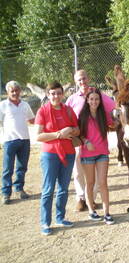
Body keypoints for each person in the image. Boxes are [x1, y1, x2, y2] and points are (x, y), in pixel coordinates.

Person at [66, 70, 115, 212]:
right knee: (78, 171)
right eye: (80, 80)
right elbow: (68, 116)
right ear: (76, 82)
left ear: (89, 78)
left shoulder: (98, 95)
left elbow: (112, 106)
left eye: (85, 78)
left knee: (96, 176)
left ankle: (91, 200)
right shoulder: (72, 99)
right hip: (78, 139)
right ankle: (81, 198)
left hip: (98, 143)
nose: (83, 82)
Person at [35, 81, 80, 235]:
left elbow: (78, 130)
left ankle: (60, 217)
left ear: (63, 94)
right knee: (48, 189)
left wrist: (71, 131)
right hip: (50, 154)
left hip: (68, 153)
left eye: (59, 93)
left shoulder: (68, 110)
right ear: (48, 95)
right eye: (53, 93)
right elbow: (38, 136)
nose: (56, 96)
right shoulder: (42, 111)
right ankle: (45, 223)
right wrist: (58, 134)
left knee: (63, 188)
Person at [79, 89, 115, 224]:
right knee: (90, 183)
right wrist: (86, 141)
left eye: (97, 99)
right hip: (88, 154)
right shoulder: (82, 115)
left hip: (102, 153)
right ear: (87, 100)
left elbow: (114, 124)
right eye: (91, 99)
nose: (94, 101)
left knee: (103, 183)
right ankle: (91, 210)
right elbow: (79, 134)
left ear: (100, 101)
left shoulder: (104, 114)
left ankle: (107, 213)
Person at [0, 81, 35, 205]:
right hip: (9, 141)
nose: (15, 93)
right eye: (12, 91)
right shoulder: (3, 105)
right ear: (8, 92)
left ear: (20, 91)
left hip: (24, 140)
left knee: (22, 167)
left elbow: (32, 120)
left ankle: (19, 189)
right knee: (7, 168)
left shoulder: (25, 105)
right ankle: (6, 193)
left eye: (16, 90)